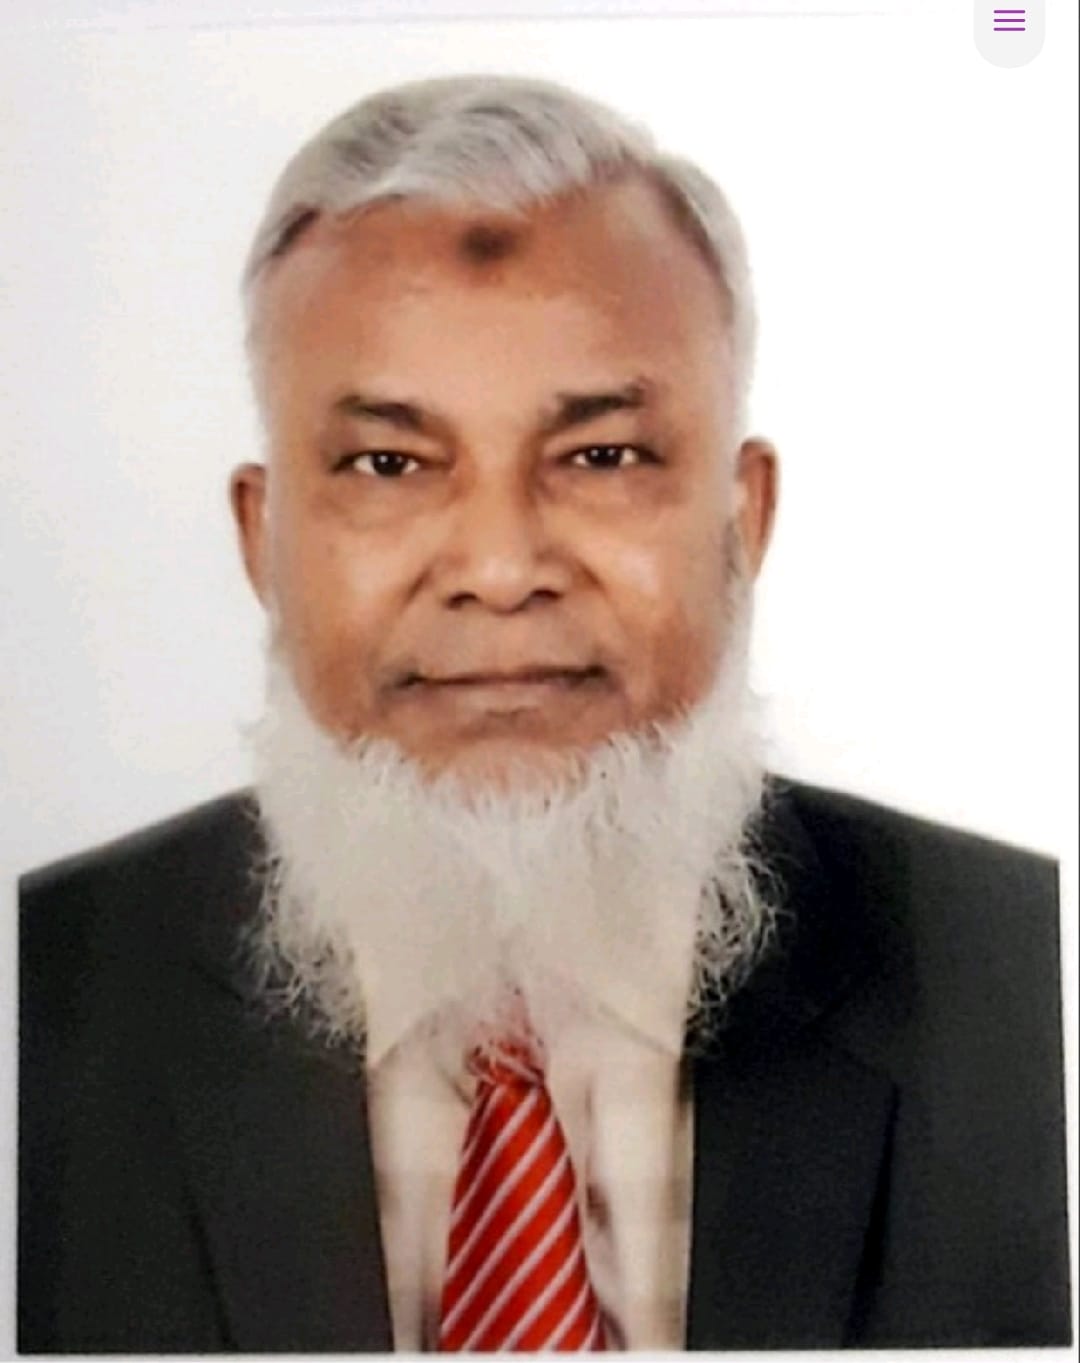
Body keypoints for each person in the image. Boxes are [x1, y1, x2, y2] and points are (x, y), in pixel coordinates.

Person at [18, 75, 1071, 1353]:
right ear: (263, 540)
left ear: (743, 520)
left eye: (602, 456)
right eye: (389, 464)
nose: (502, 567)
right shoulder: (42, 998)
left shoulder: (1032, 988)